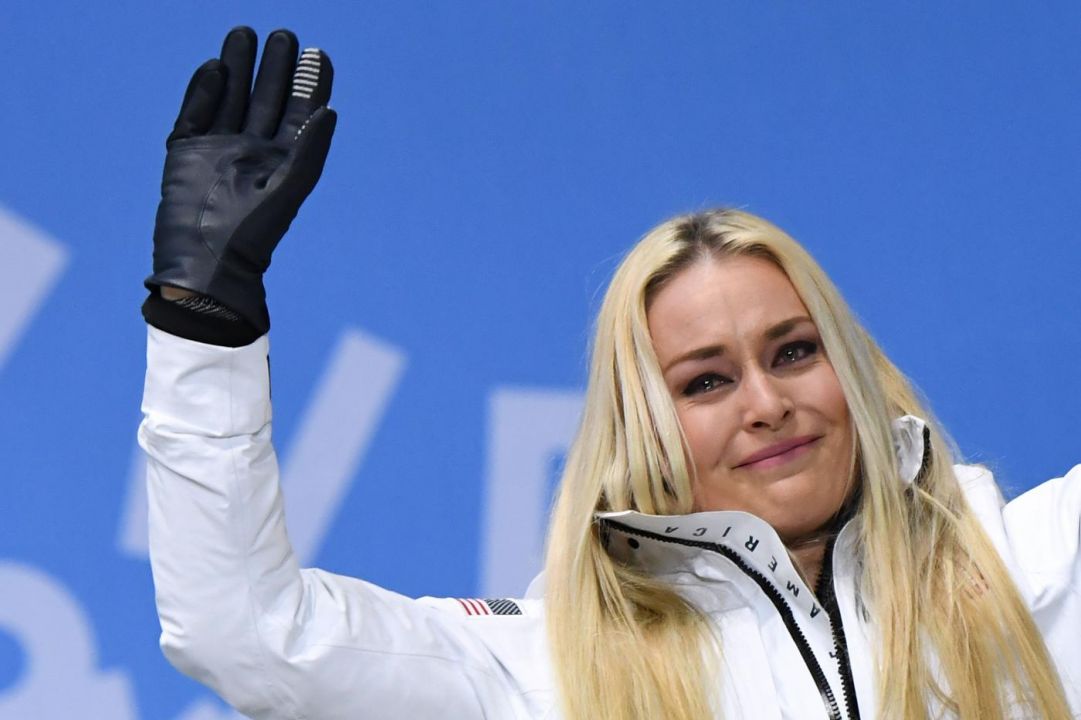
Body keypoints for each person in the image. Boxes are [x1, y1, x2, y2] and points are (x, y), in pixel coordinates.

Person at [140, 28, 1081, 720]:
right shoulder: (553, 672)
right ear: (644, 426)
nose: (767, 404)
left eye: (793, 351)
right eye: (705, 381)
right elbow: (250, 635)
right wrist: (203, 327)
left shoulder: (1029, 567)